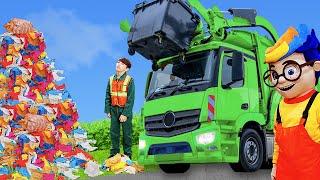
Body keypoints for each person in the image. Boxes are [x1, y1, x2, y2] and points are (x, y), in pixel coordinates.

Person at [264, 24, 320, 180]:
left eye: (290, 71)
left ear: (315, 66)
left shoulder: (317, 102)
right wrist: (274, 166)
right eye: (274, 74)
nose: (280, 79)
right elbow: (278, 143)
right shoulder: (281, 106)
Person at [104, 57, 135, 159]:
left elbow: (130, 99)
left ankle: (127, 155)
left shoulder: (129, 80)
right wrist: (108, 110)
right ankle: (114, 154)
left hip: (125, 110)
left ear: (127, 69)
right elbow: (108, 96)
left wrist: (125, 114)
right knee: (114, 133)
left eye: (122, 63)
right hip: (113, 110)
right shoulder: (110, 79)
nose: (118, 64)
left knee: (127, 134)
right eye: (117, 62)